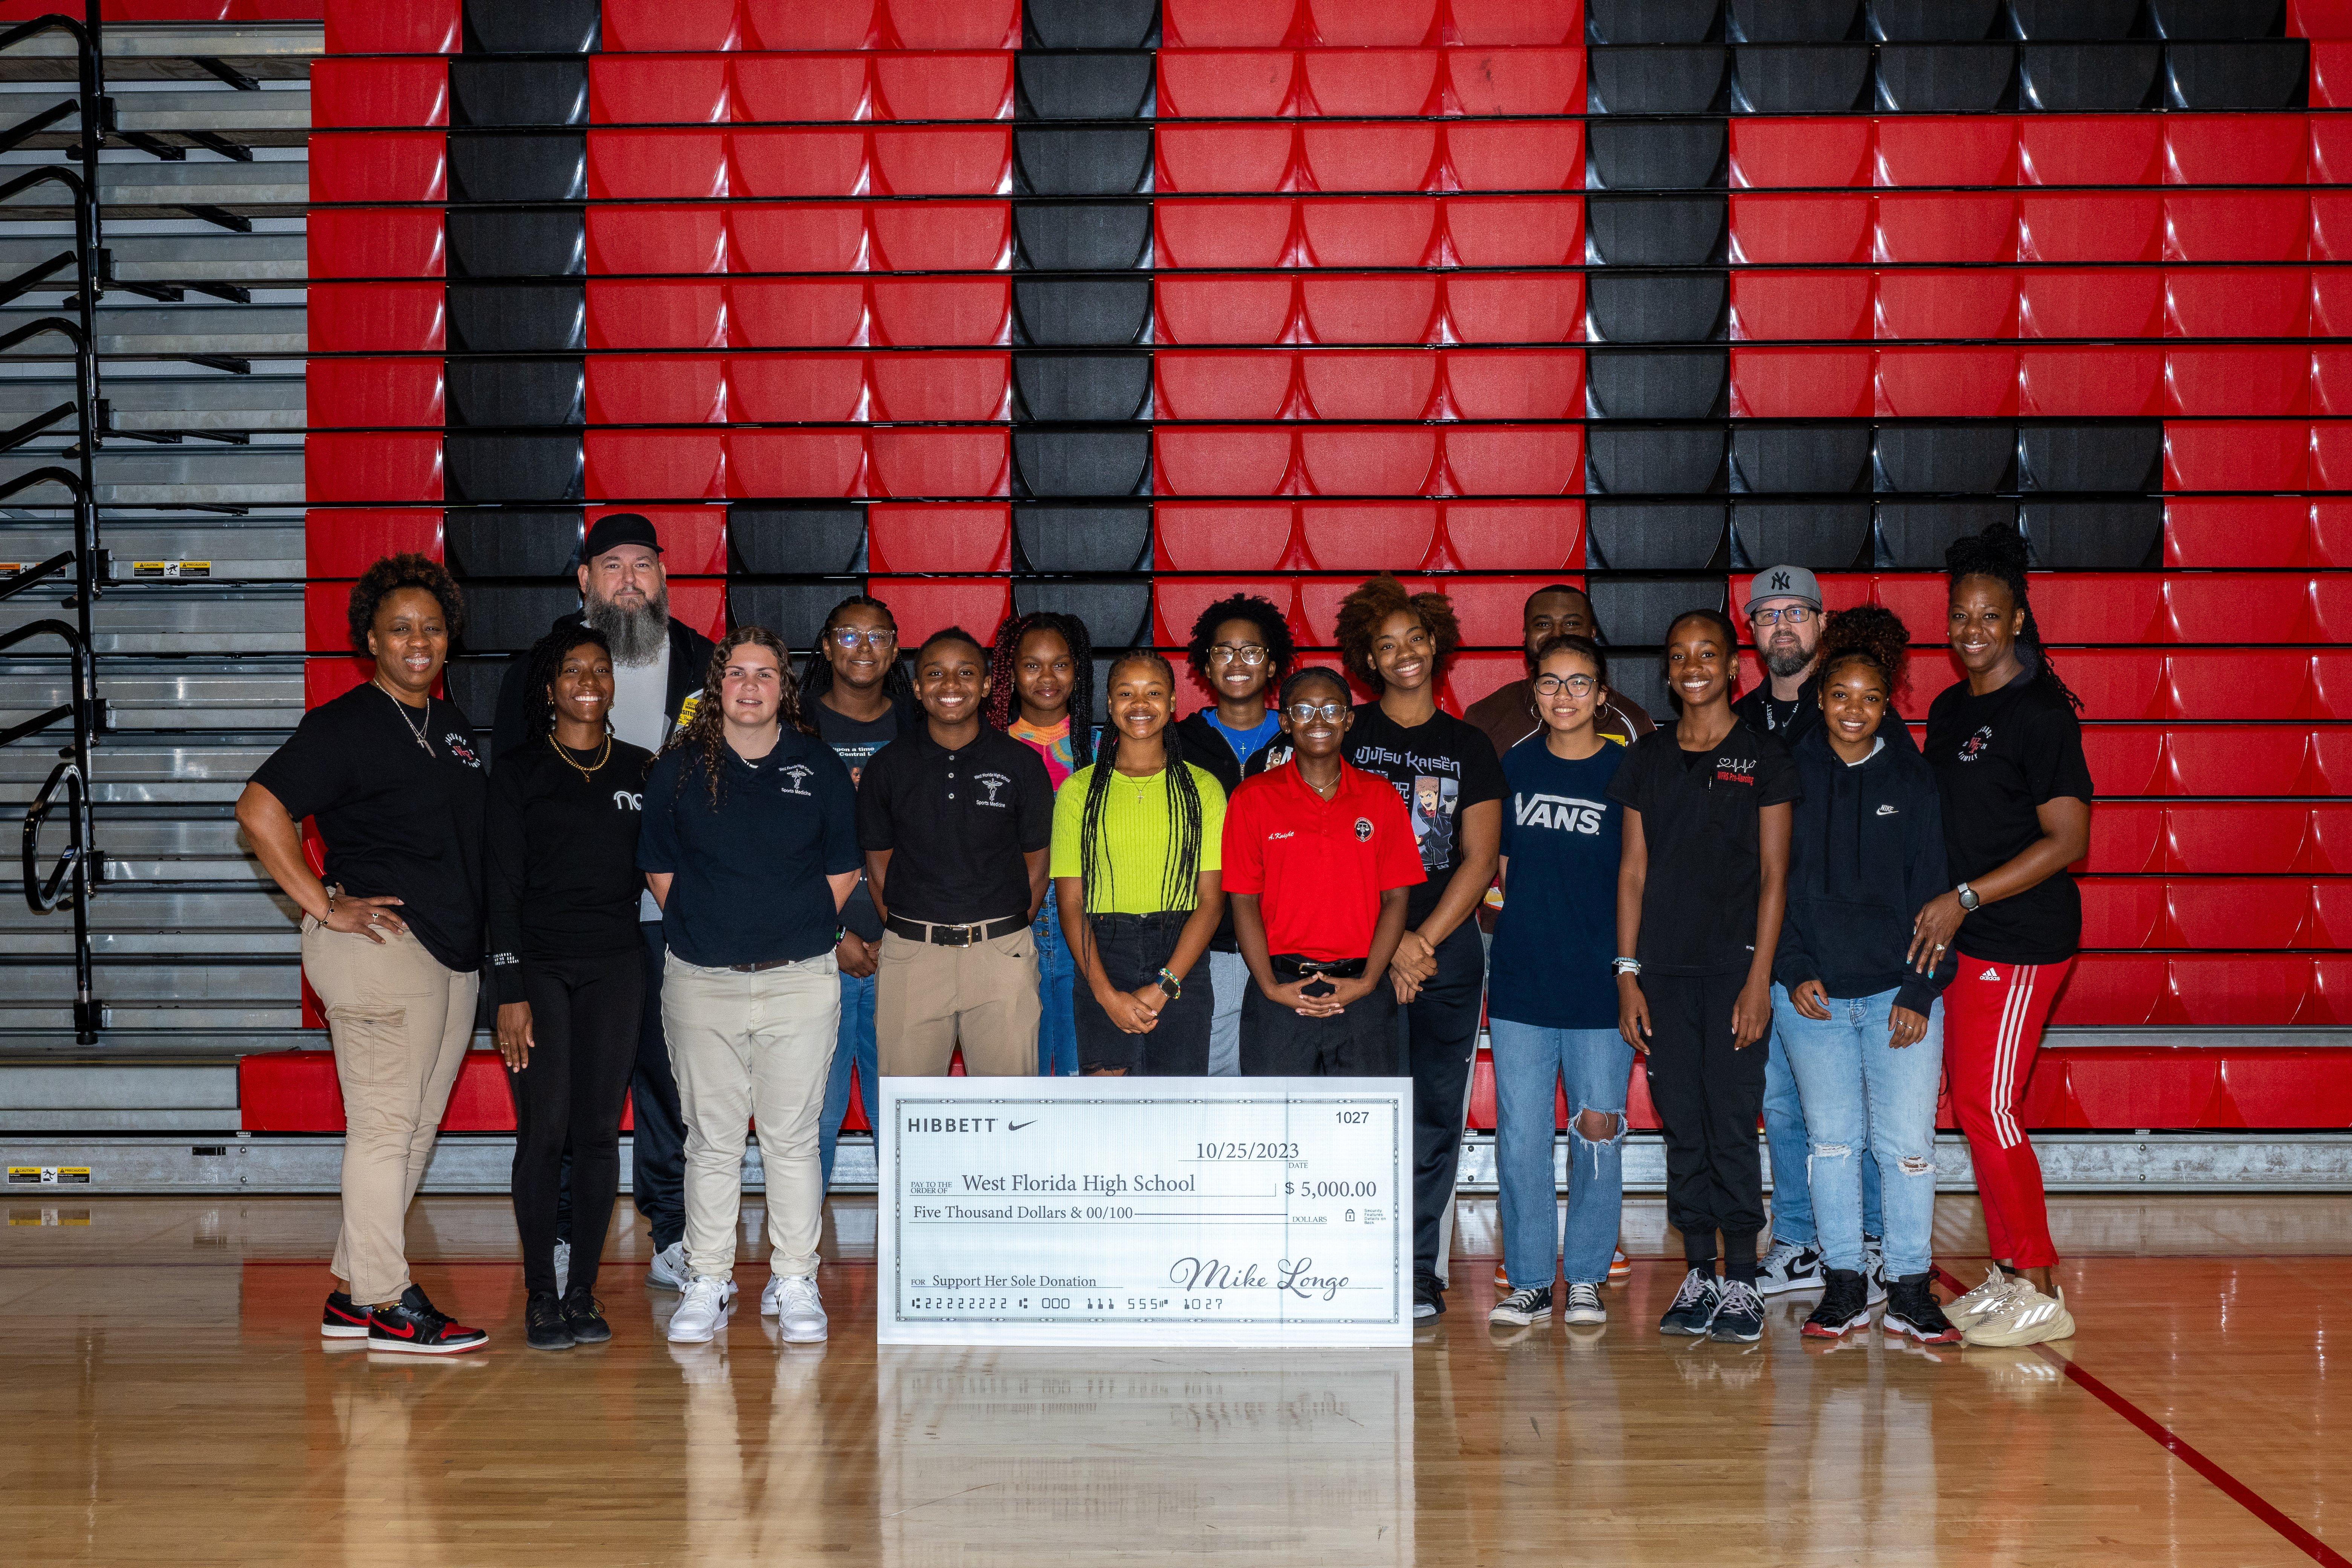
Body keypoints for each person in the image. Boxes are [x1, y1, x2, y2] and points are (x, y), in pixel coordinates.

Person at [237, 554, 491, 1353]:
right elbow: (259, 807)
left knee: (412, 1130)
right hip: (380, 947)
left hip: (448, 953)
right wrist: (320, 901)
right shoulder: (343, 724)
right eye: (401, 628)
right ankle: (389, 1301)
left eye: (433, 627)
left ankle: (353, 1295)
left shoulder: (448, 726)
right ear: (371, 641)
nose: (419, 640)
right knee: (384, 1129)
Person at [492, 511, 716, 1297]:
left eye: (643, 565)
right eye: (611, 566)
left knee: (669, 1080)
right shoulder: (538, 669)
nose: (628, 579)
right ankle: (556, 1235)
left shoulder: (704, 664)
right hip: (567, 927)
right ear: (584, 582)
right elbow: (508, 805)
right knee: (559, 1099)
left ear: (664, 577)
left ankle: (670, 1231)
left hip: (674, 918)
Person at [638, 628, 861, 1346]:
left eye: (766, 673)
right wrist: (718, 929)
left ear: (784, 688)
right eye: (737, 673)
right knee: (711, 1141)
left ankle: (795, 1279)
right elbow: (661, 872)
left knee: (793, 1140)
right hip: (702, 981)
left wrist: (784, 928)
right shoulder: (676, 771)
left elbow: (843, 871)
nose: (751, 686)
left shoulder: (818, 766)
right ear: (718, 686)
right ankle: (707, 1278)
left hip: (799, 981)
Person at [1912, 522, 2093, 1349]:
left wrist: (1968, 895)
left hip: (2021, 937)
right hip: (1969, 936)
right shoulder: (1950, 709)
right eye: (1960, 616)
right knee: (1981, 1108)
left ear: (2017, 618)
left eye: (1988, 615)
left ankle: (2041, 1283)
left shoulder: (2042, 712)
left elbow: (2068, 841)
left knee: (1990, 1106)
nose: (1972, 629)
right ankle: (2012, 1270)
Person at [1766, 607, 1961, 1345]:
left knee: (1907, 1145)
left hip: (1895, 996)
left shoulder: (1913, 781)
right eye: (1840, 694)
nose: (1854, 710)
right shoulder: (1788, 775)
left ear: (1888, 706)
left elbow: (1936, 896)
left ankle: (1910, 1286)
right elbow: (1770, 884)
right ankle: (1845, 1282)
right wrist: (1791, 968)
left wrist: (1918, 990)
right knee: (1834, 1144)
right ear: (1819, 698)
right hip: (1811, 996)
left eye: (1869, 698)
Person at [1611, 608, 1799, 1345]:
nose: (1693, 665)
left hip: (1733, 976)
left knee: (1730, 1121)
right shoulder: (1646, 759)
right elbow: (1631, 873)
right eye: (1680, 654)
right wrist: (1629, 975)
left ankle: (1744, 1278)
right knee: (1683, 1124)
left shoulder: (1763, 757)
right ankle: (1698, 1270)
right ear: (1670, 670)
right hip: (1663, 975)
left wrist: (1758, 981)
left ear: (1731, 667)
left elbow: (1777, 877)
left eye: (1708, 653)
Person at [1731, 565, 1908, 1300]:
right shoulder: (1734, 719)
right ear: (1750, 629)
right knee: (1779, 1104)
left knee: (1852, 1111)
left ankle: (1864, 1242)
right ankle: (1801, 1241)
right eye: (1767, 613)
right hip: (1761, 947)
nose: (1782, 626)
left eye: (1796, 612)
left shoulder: (1856, 711)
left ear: (1822, 623)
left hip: (1844, 957)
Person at [1330, 575, 1504, 1321]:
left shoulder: (1469, 745)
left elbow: (1480, 858)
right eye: (1387, 644)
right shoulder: (1346, 734)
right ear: (1367, 657)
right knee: (1361, 1111)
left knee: (1434, 1114)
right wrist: (1386, 944)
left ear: (1437, 644)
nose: (1403, 653)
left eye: (1415, 638)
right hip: (1357, 950)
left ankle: (1416, 1271)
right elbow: (1328, 846)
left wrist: (1420, 941)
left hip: (1445, 954)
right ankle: (1356, 1264)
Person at [487, 626, 654, 1351]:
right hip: (541, 972)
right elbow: (500, 889)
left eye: (601, 668)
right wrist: (508, 988)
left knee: (596, 1135)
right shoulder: (519, 772)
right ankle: (538, 1294)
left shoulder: (643, 770)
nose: (590, 680)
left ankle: (582, 1290)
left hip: (617, 968)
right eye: (573, 670)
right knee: (544, 1130)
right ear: (550, 688)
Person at [1485, 635, 1631, 1332]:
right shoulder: (1515, 764)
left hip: (1603, 986)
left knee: (1597, 1133)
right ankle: (1533, 1280)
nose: (1565, 697)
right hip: (1522, 982)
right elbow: (1505, 869)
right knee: (1519, 1138)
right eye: (1551, 683)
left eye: (1580, 684)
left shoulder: (1630, 771)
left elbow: (1641, 878)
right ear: (1533, 692)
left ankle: (1587, 1279)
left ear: (1602, 694)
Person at [862, 628, 1055, 1076]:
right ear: (916, 687)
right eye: (935, 674)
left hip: (1000, 955)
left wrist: (997, 936)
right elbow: (878, 867)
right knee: (908, 1116)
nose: (951, 686)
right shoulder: (888, 766)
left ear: (987, 684)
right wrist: (908, 933)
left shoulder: (1021, 764)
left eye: (966, 673)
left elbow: (1038, 866)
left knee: (1011, 1119)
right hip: (912, 957)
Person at [1222, 667, 1422, 1078]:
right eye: (1305, 710)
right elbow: (1243, 900)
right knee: (1279, 1133)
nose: (1318, 720)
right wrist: (1270, 986)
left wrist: (1368, 981)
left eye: (1332, 709)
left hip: (1362, 992)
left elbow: (1396, 898)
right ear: (1285, 721)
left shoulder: (1380, 796)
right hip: (1279, 991)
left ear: (1349, 720)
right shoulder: (1252, 797)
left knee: (1365, 1134)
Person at [1051, 653, 1227, 1075]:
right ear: (1110, 705)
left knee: (1178, 1116)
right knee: (1108, 1119)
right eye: (1126, 693)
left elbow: (1211, 901)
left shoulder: (1203, 788)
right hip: (1103, 955)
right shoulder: (1078, 791)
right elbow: (1071, 904)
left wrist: (1166, 985)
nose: (1140, 704)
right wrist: (1107, 995)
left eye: (1153, 693)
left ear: (1171, 705)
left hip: (1181, 955)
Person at [801, 593, 922, 1191]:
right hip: (814, 951)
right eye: (849, 635)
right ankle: (798, 1264)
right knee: (815, 1114)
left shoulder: (918, 726)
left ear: (896, 648)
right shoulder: (794, 723)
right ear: (826, 646)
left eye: (878, 635)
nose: (864, 647)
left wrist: (901, 933)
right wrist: (835, 935)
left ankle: (912, 1250)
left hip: (903, 949)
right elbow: (775, 848)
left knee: (900, 1110)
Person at [1173, 595, 1294, 1078]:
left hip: (1290, 943)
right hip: (1211, 944)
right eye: (1224, 651)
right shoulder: (1176, 742)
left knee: (1284, 1083)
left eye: (1252, 651)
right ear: (1206, 663)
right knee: (1215, 1082)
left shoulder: (1305, 739)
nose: (1238, 662)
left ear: (1273, 663)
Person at [987, 611, 1095, 1078]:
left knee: (1080, 1069)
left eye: (1060, 664)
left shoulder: (1106, 746)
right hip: (1013, 916)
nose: (1047, 678)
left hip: (1087, 917)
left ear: (1079, 671)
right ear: (1010, 673)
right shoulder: (985, 748)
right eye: (1032, 665)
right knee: (1018, 1074)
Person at [1463, 583, 1655, 756]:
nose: (1557, 634)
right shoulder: (1485, 717)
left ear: (1592, 633)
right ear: (1526, 635)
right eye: (1543, 625)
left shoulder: (1633, 721)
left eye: (1571, 624)